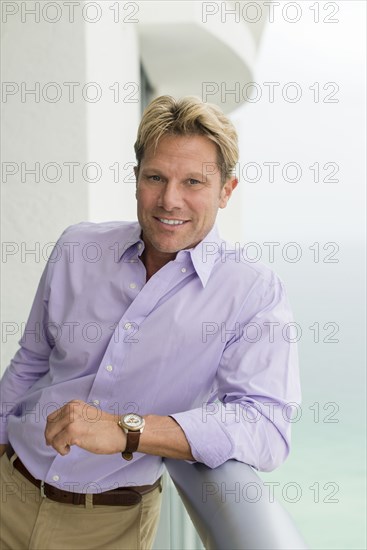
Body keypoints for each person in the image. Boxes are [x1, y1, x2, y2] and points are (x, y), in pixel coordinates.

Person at [0, 95, 301, 549]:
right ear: (137, 178)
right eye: (155, 177)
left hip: (108, 525)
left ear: (227, 190)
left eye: (194, 182)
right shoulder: (77, 247)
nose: (169, 199)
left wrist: (128, 429)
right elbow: (31, 361)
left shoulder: (253, 293)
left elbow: (266, 427)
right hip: (10, 487)